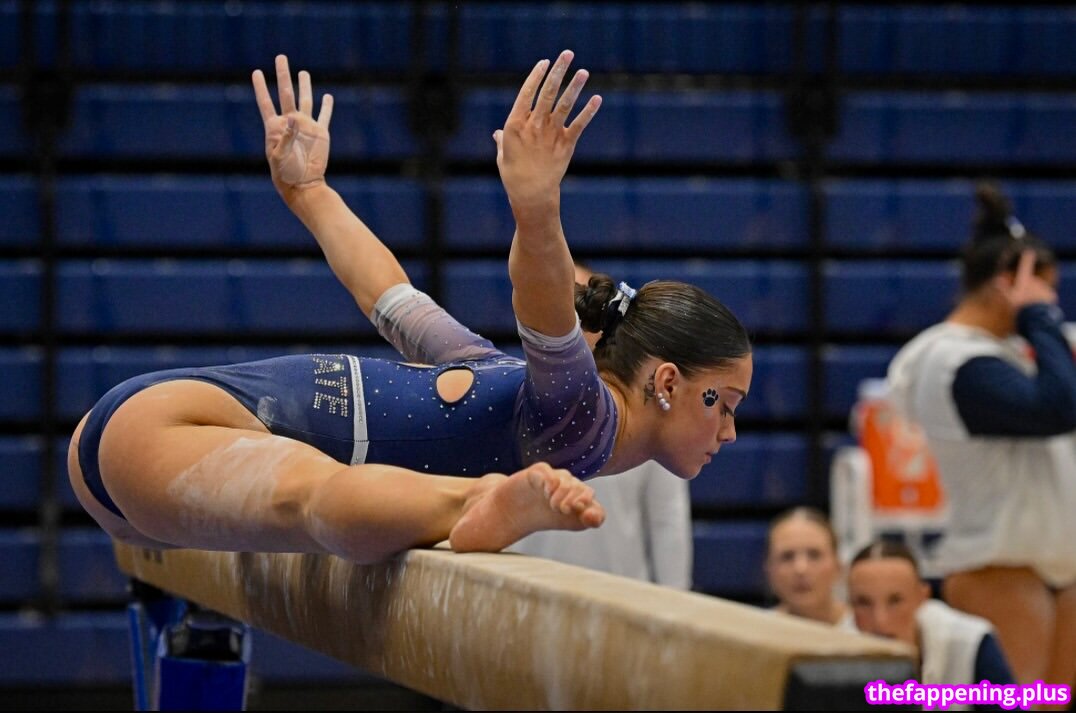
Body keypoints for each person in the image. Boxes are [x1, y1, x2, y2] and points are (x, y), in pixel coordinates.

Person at [65, 52, 753, 566]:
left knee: (319, 498)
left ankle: (473, 501)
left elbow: (390, 298)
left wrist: (310, 193)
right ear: (666, 380)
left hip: (152, 442)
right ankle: (472, 502)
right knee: (318, 500)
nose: (728, 432)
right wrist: (537, 208)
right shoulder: (583, 420)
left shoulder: (493, 375)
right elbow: (545, 308)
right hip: (166, 436)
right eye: (721, 402)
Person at [886, 184, 1076, 695]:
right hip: (997, 567)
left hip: (1055, 563)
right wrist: (1040, 317)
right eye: (1045, 291)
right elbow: (1057, 407)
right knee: (1012, 702)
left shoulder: (1015, 349)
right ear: (1006, 285)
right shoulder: (951, 359)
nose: (1052, 305)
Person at [509, 264, 694, 589]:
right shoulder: (510, 397)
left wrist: (675, 602)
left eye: (580, 312)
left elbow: (667, 517)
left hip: (620, 593)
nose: (565, 324)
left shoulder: (647, 408)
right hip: (525, 591)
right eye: (554, 308)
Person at [848, 540, 1015, 705]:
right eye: (863, 603)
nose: (880, 621)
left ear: (922, 597)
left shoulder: (968, 644)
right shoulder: (838, 653)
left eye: (895, 601)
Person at [764, 507, 852, 627]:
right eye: (787, 557)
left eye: (814, 555)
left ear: (838, 566)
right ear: (769, 568)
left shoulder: (865, 630)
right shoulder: (753, 632)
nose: (801, 569)